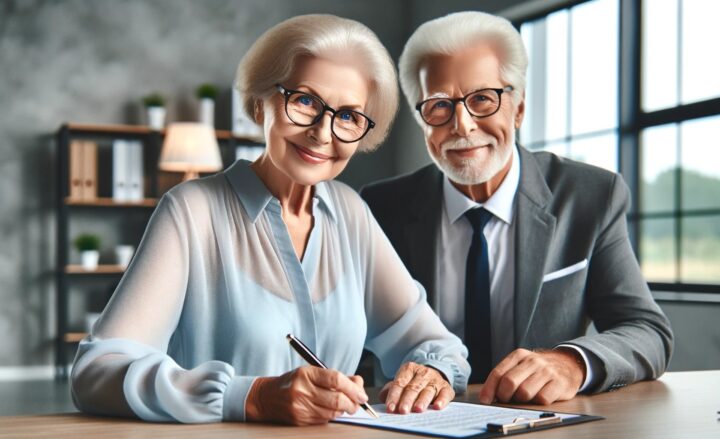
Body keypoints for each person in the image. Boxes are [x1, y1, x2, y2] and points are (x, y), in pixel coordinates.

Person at [70, 14, 469, 425]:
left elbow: (437, 344)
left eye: (349, 116)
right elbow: (95, 372)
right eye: (306, 101)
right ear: (262, 100)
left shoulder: (350, 212)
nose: (323, 133)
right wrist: (249, 396)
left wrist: (432, 371)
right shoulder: (192, 211)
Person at [361, 11, 673, 407]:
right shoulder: (380, 207)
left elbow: (646, 329)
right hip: (416, 421)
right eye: (439, 106)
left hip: (542, 423)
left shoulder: (591, 195)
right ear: (421, 118)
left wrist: (571, 362)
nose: (462, 125)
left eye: (482, 99)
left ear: (519, 107)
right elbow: (352, 346)